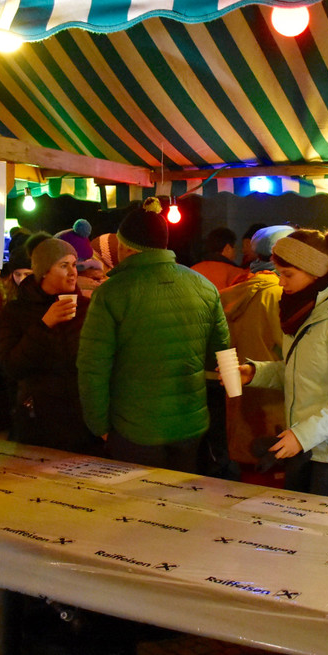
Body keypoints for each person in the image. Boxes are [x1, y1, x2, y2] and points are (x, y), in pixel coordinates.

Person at [77, 198, 230, 473]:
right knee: (180, 496)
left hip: (133, 428)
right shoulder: (204, 286)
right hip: (190, 424)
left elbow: (93, 368)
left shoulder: (111, 293)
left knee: (138, 499)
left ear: (125, 247)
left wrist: (99, 425)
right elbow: (220, 356)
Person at [237, 229, 328, 500]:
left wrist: (302, 436)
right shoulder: (302, 310)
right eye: (279, 273)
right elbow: (301, 371)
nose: (281, 282)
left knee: (321, 526)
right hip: (306, 444)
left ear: (315, 271)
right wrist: (255, 372)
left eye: (288, 274)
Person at [0, 237, 99, 454]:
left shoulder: (87, 308)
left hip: (83, 421)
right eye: (63, 265)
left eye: (74, 265)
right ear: (44, 271)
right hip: (39, 421)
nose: (72, 272)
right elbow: (11, 366)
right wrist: (44, 325)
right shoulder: (16, 311)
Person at [218, 225, 293, 485]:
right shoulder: (281, 295)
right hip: (275, 406)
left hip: (240, 403)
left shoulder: (233, 291)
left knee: (247, 486)